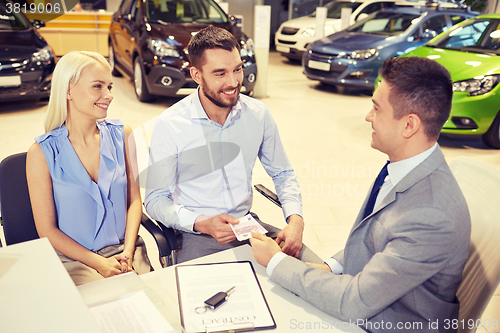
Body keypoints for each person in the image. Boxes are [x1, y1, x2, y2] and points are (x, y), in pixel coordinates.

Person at [250, 57, 471, 332]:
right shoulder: (404, 166)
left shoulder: (430, 214)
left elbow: (353, 302)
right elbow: (377, 241)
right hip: (369, 299)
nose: (368, 117)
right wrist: (330, 267)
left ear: (409, 125)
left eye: (376, 108)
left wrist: (276, 261)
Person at [144, 26, 322, 264]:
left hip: (246, 226)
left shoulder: (258, 114)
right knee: (201, 296)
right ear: (197, 75)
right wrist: (202, 223)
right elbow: (156, 200)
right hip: (198, 234)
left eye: (237, 69)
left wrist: (295, 220)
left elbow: (282, 173)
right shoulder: (171, 124)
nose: (233, 82)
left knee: (316, 271)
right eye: (220, 74)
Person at [26, 51, 152, 285]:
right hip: (76, 259)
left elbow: (134, 201)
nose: (109, 96)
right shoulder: (41, 153)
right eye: (98, 86)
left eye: (110, 87)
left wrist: (128, 251)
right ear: (68, 90)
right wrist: (98, 263)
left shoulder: (123, 135)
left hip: (127, 251)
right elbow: (47, 230)